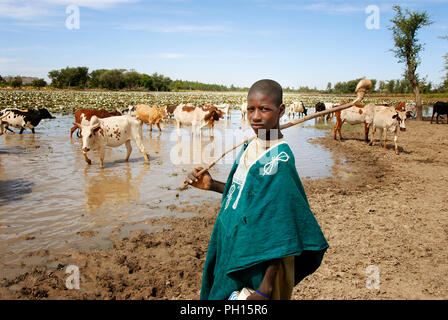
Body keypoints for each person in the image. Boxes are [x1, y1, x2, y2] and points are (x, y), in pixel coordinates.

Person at [185, 79, 329, 300]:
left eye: (264, 109)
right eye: (251, 109)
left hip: (259, 259)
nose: (255, 116)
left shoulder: (279, 160)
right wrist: (212, 184)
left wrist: (266, 287)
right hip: (235, 244)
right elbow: (245, 195)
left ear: (281, 110)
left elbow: (283, 225)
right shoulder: (251, 145)